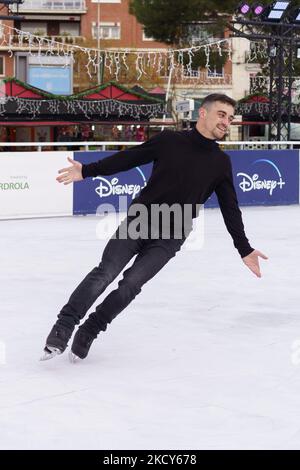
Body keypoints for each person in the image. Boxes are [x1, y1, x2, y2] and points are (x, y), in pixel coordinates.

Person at [41, 93, 268, 362]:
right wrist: (87, 171)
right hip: (141, 219)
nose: (226, 122)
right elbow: (129, 159)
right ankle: (64, 326)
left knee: (130, 286)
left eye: (230, 118)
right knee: (105, 273)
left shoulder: (220, 163)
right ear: (203, 113)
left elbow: (230, 208)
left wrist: (244, 248)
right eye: (221, 114)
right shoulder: (170, 141)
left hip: (172, 234)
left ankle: (90, 330)